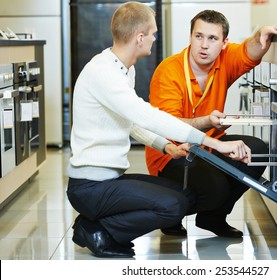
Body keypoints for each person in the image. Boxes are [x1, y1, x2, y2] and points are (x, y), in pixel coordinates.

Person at [66, 2, 252, 259]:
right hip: (90, 187)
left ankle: (100, 225)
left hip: (109, 179)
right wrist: (217, 143)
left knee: (183, 196)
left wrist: (165, 146)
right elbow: (147, 116)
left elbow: (131, 123)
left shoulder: (123, 69)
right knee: (173, 207)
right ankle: (98, 230)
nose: (155, 37)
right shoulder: (103, 72)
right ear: (140, 38)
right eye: (153, 33)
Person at [145, 10, 277, 238]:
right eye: (199, 36)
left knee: (257, 150)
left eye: (212, 39)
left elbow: (250, 50)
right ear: (190, 36)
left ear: (224, 43)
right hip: (171, 153)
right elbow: (168, 125)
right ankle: (169, 213)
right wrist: (207, 121)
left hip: (209, 145)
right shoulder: (169, 72)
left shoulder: (225, 58)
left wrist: (262, 33)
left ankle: (213, 218)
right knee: (215, 188)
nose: (204, 45)